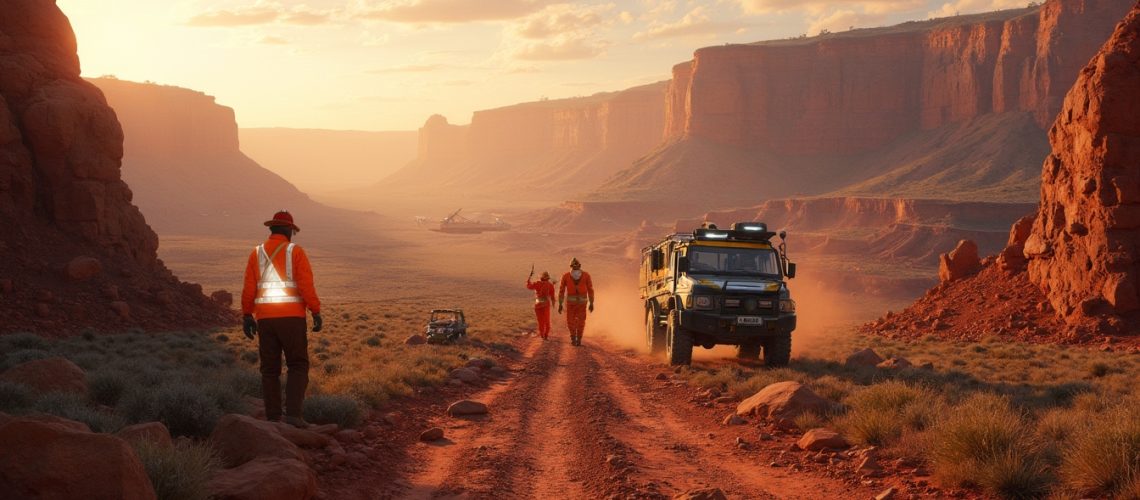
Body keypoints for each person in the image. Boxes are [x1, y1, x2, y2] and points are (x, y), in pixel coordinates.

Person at [241, 210, 323, 428]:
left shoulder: (256, 253)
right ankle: (294, 416)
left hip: (265, 320)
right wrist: (315, 311)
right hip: (292, 319)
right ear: (288, 230)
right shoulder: (295, 251)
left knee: (269, 369)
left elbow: (249, 289)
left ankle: (273, 417)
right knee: (297, 365)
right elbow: (306, 285)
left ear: (272, 229)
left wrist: (246, 315)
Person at [558, 257, 594, 346]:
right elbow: (561, 290)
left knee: (575, 321)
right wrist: (560, 303)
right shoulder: (585, 275)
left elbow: (590, 289)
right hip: (576, 303)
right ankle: (575, 338)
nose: (575, 267)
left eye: (576, 266)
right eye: (574, 266)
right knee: (575, 321)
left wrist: (592, 302)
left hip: (577, 303)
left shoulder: (567, 276)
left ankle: (576, 339)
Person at [526, 271, 555, 340]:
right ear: (548, 278)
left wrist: (529, 278)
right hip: (546, 305)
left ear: (541, 277)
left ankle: (542, 334)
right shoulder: (550, 285)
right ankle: (545, 335)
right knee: (547, 321)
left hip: (537, 305)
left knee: (540, 321)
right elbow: (552, 297)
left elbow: (529, 286)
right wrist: (553, 304)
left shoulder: (537, 283)